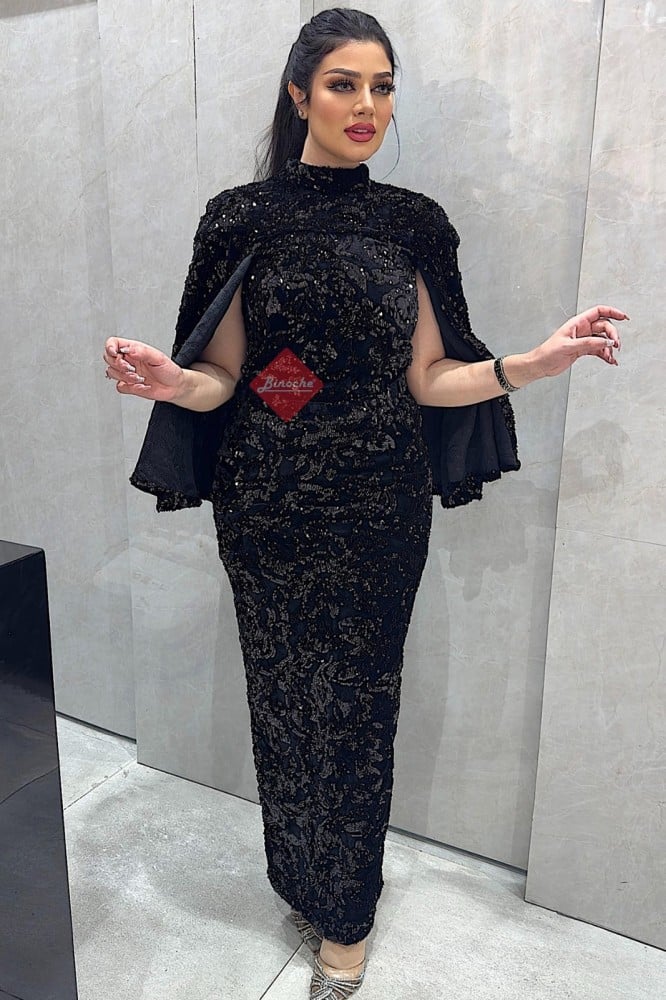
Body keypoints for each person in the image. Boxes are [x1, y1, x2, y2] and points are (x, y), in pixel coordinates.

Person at [103, 8, 627, 998]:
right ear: (299, 93)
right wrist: (172, 382)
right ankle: (301, 877)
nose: (367, 106)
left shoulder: (414, 224)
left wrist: (531, 362)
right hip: (265, 502)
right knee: (282, 697)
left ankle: (346, 914)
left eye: (382, 87)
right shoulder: (239, 219)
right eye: (344, 84)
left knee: (357, 704)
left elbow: (430, 377)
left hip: (380, 505)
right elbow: (224, 377)